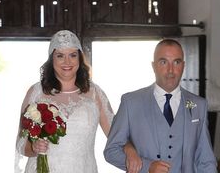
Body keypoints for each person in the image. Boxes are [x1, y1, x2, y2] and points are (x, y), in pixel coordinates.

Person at [16, 30, 142, 173]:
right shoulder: (36, 92)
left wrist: (130, 149)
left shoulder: (95, 93)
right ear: (52, 59)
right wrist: (34, 148)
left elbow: (116, 134)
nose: (67, 62)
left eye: (73, 55)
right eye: (60, 56)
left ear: (80, 58)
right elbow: (21, 145)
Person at [104, 38, 218, 173]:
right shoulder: (131, 102)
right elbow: (112, 151)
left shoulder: (198, 105)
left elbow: (206, 160)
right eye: (163, 62)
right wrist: (147, 166)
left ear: (184, 65)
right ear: (153, 66)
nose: (171, 70)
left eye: (176, 62)